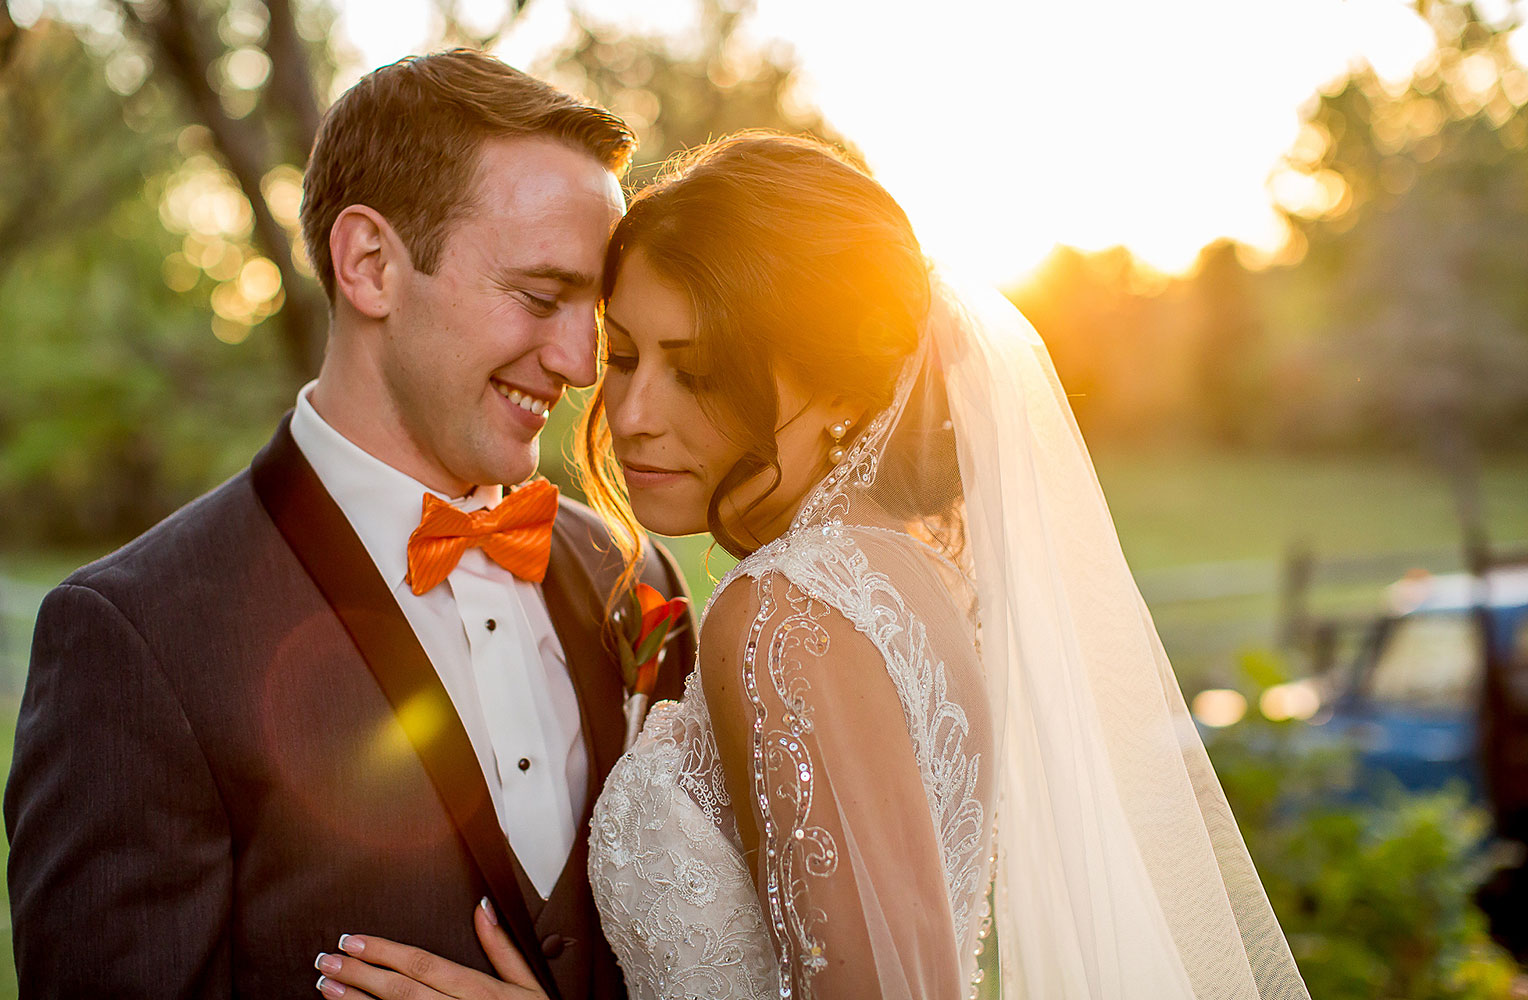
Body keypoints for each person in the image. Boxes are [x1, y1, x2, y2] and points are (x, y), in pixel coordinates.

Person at [308, 132, 1315, 1000]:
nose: (634, 411)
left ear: (838, 388)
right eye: (623, 355)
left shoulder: (782, 613)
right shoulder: (916, 576)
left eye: (700, 371)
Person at [3, 49, 694, 999]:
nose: (582, 362)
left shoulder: (635, 573)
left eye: (596, 311)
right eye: (541, 297)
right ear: (370, 264)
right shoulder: (133, 639)